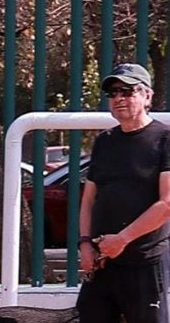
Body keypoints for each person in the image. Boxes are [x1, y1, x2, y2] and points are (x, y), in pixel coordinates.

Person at [77, 63, 170, 323]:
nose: (119, 98)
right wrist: (85, 243)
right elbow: (89, 199)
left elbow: (167, 203)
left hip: (144, 262)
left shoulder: (164, 139)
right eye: (113, 93)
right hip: (103, 262)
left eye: (127, 92)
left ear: (147, 96)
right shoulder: (104, 141)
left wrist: (122, 239)